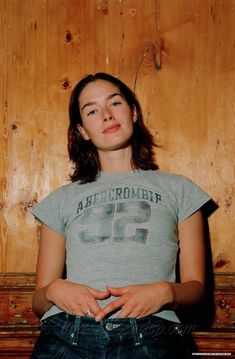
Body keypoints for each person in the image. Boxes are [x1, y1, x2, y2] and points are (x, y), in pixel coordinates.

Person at [30, 72, 211, 358]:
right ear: (83, 131)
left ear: (133, 112)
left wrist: (166, 292)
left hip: (152, 332)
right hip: (68, 332)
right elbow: (39, 300)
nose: (105, 115)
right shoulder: (61, 199)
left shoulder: (179, 189)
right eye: (91, 110)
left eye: (114, 103)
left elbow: (197, 289)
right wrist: (54, 290)